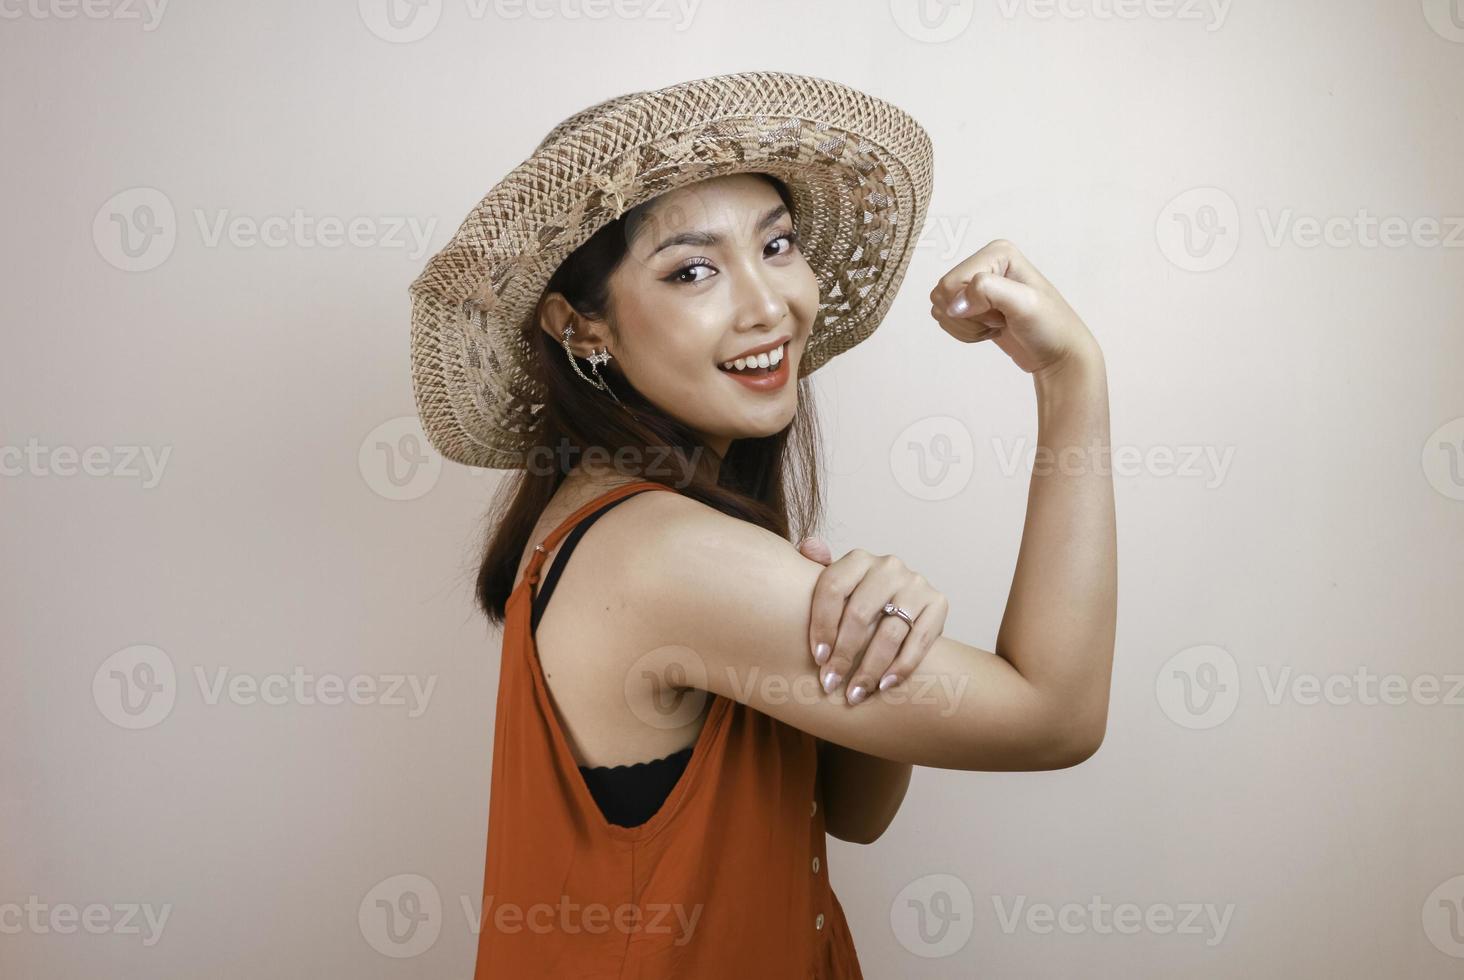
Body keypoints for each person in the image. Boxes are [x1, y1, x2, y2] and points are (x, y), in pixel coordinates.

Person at [408, 70, 1115, 979]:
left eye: (777, 245)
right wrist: (1072, 380)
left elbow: (851, 813)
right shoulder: (657, 553)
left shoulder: (628, 519)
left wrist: (875, 634)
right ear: (582, 328)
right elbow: (1055, 718)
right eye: (693, 269)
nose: (768, 304)